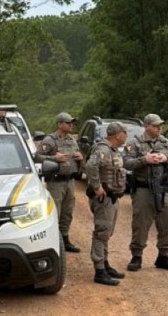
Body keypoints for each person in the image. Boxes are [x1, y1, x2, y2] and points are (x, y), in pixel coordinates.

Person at [123, 113, 168, 272]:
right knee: (141, 223)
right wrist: (145, 160)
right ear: (146, 126)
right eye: (155, 125)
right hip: (143, 188)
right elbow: (126, 163)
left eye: (160, 125)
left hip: (164, 188)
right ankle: (136, 256)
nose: (159, 128)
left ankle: (164, 255)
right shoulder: (135, 144)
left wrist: (166, 158)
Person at [85, 121, 128, 285]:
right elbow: (91, 165)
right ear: (117, 135)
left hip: (113, 198)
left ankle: (105, 263)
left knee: (106, 232)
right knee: (101, 232)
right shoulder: (103, 149)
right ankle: (99, 270)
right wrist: (97, 187)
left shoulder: (113, 150)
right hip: (104, 199)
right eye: (125, 132)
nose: (126, 136)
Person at [38, 111, 83, 252]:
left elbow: (79, 156)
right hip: (56, 181)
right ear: (59, 124)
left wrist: (80, 157)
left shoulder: (71, 140)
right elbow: (37, 156)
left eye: (71, 123)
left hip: (69, 180)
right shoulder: (50, 140)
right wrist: (53, 158)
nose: (71, 125)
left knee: (67, 212)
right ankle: (53, 240)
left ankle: (64, 238)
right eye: (68, 123)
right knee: (55, 212)